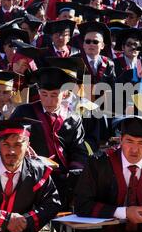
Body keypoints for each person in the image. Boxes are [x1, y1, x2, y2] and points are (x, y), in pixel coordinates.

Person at [10, 57, 88, 210]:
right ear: (38, 92)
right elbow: (8, 139)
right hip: (31, 173)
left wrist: (73, 173)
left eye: (54, 95)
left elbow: (79, 150)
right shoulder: (25, 112)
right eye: (44, 94)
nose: (48, 101)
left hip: (63, 175)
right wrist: (23, 149)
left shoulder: (73, 118)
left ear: (64, 94)